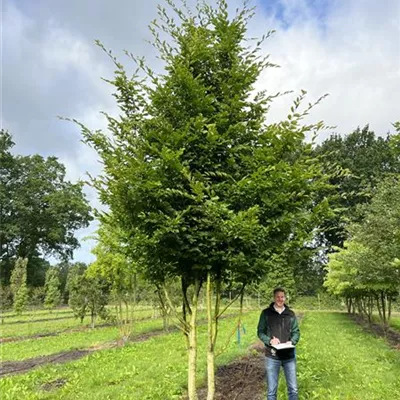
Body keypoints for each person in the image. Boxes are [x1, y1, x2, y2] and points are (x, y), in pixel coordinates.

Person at [257, 287, 300, 400]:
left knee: (293, 389)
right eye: (278, 297)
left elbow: (296, 332)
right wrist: (270, 340)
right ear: (274, 298)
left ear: (285, 298)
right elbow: (260, 332)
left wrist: (293, 341)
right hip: (272, 356)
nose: (280, 299)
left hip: (289, 356)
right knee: (271, 391)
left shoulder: (290, 314)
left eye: (282, 297)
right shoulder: (266, 313)